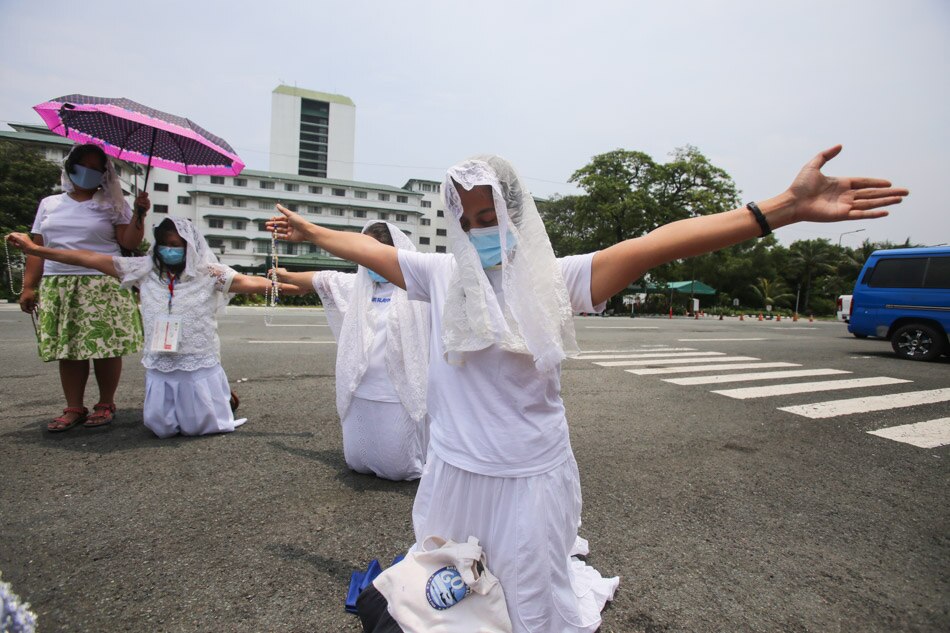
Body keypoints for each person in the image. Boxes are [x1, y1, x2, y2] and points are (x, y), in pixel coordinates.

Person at [268, 147, 907, 633]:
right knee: (450, 586)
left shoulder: (560, 278)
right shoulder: (438, 275)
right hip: (456, 470)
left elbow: (657, 244)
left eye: (490, 216)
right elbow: (362, 248)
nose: (479, 228)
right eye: (467, 220)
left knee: (529, 599)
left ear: (515, 214)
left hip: (531, 473)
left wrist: (780, 210)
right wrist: (312, 233)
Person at [7, 217, 296, 439]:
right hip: (161, 357)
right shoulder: (143, 271)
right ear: (157, 247)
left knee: (200, 427)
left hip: (197, 353)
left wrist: (301, 285)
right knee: (162, 427)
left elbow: (250, 283)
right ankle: (213, 400)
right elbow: (87, 258)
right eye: (165, 245)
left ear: (191, 247)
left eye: (178, 246)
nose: (171, 251)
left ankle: (220, 399)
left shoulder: (210, 274)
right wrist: (37, 250)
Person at [276, 221, 431, 481]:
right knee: (358, 462)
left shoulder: (419, 289)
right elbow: (322, 279)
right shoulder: (358, 286)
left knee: (400, 467)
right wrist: (284, 275)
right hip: (360, 388)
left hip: (398, 393)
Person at [19, 143, 149, 431]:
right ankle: (74, 407)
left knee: (105, 347)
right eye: (83, 166)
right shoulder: (49, 204)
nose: (88, 173)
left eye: (95, 168)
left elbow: (129, 243)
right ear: (69, 167)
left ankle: (105, 403)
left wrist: (139, 214)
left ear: (104, 173)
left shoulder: (113, 204)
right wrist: (29, 286)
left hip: (101, 282)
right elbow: (35, 249)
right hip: (59, 282)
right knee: (70, 349)